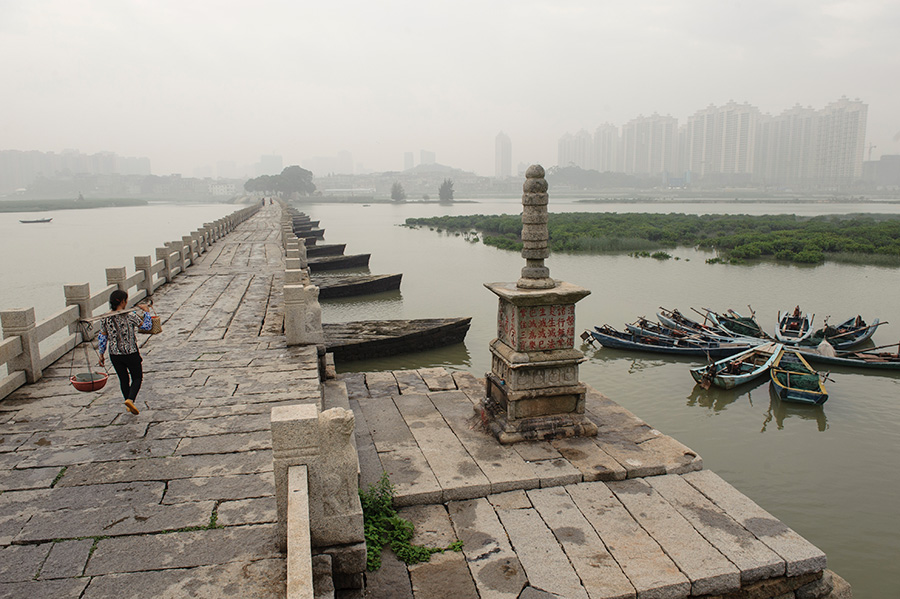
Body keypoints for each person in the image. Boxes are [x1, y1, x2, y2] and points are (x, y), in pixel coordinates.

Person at [98, 290, 152, 415]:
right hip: (131, 352)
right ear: (123, 301)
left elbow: (103, 337)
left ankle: (128, 403)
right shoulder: (130, 315)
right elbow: (146, 326)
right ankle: (130, 399)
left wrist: (101, 354)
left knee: (123, 379)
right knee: (137, 377)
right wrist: (146, 312)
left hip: (115, 354)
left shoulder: (105, 318)